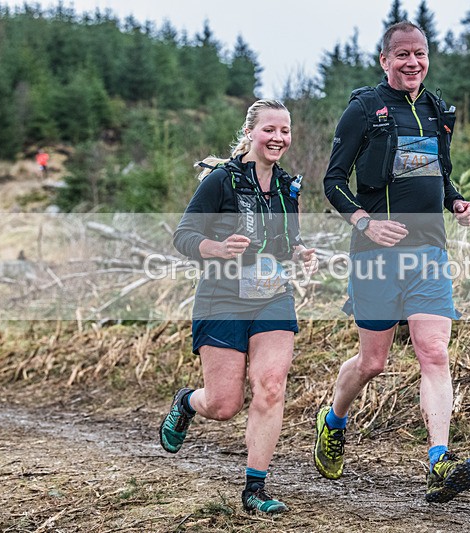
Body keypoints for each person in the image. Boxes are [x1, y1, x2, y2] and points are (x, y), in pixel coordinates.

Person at [314, 21, 470, 504]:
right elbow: (333, 182)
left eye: (419, 54)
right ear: (384, 60)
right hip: (376, 256)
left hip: (430, 253)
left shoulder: (437, 110)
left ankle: (439, 461)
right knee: (373, 362)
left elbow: (439, 174)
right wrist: (365, 223)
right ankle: (333, 421)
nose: (413, 62)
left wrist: (456, 202)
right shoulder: (364, 109)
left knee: (435, 353)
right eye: (402, 54)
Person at [160, 99, 316, 515]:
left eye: (285, 130)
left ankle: (254, 489)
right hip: (223, 297)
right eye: (270, 129)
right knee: (224, 405)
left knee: (271, 386)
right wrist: (217, 247)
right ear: (250, 133)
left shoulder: (287, 187)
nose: (278, 138)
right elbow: (184, 236)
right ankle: (187, 402)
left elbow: (286, 240)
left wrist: (300, 251)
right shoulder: (221, 181)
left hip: (272, 295)